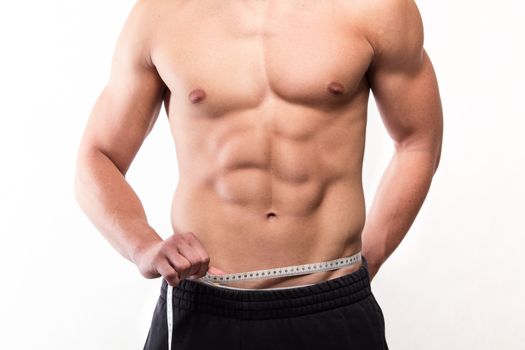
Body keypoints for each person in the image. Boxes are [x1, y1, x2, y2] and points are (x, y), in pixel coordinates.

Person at [74, 0, 443, 349]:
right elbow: (98, 154)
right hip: (204, 304)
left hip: (333, 301)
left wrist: (367, 261)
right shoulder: (161, 15)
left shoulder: (375, 8)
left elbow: (417, 141)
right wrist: (143, 246)